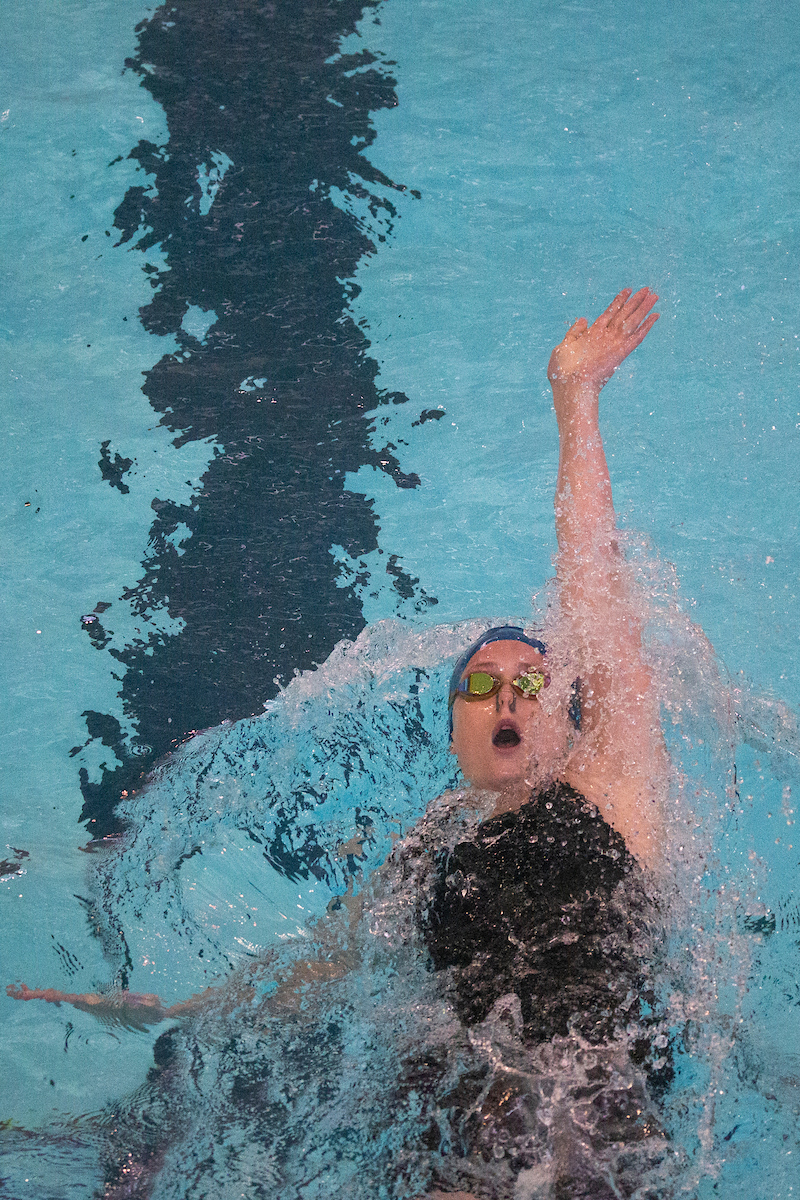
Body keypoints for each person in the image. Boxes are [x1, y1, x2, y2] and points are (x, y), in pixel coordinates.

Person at [9, 288, 670, 1199]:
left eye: (532, 682)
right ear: (456, 731)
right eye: (480, 682)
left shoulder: (613, 794)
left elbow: (594, 574)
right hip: (464, 1106)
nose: (508, 690)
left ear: (567, 716)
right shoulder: (427, 849)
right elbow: (312, 975)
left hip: (601, 1101)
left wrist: (574, 401)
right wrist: (158, 1013)